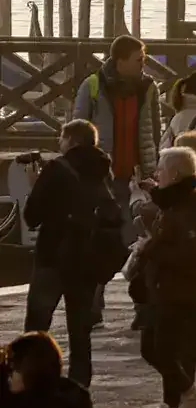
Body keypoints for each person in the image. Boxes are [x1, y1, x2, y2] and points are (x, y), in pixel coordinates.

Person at [21, 119, 126, 389]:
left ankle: (34, 379)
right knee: (80, 329)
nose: (59, 143)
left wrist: (35, 185)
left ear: (72, 141)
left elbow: (32, 216)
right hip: (87, 258)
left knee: (36, 325)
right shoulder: (104, 170)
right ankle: (79, 382)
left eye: (62, 138)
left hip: (53, 256)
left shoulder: (57, 168)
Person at [134, 139, 196, 408]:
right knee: (152, 346)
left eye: (161, 170)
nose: (157, 175)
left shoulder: (193, 208)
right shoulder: (176, 203)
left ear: (177, 175)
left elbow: (187, 252)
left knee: (164, 349)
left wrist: (151, 249)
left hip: (179, 291)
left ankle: (184, 400)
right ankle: (179, 402)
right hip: (162, 288)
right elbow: (165, 205)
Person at [72, 33, 160, 179]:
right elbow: (78, 130)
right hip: (102, 172)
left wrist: (154, 165)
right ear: (121, 62)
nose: (143, 64)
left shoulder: (149, 87)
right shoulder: (92, 85)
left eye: (143, 59)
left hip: (140, 174)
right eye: (138, 60)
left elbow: (156, 130)